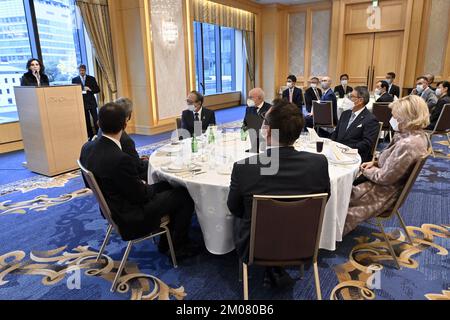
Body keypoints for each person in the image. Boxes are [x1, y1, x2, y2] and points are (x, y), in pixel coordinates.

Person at [228, 99, 330, 287]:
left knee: (240, 215)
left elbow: (234, 208)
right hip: (303, 241)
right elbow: (325, 198)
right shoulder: (319, 163)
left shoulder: (244, 169)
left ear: (266, 131)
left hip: (256, 246)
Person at [80, 102, 198, 259]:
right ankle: (178, 247)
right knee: (184, 195)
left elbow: (89, 184)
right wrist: (143, 184)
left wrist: (142, 186)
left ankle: (165, 241)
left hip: (111, 204)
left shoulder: (87, 147)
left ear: (98, 123)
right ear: (125, 124)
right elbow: (141, 196)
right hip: (129, 214)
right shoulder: (119, 158)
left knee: (166, 184)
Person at [343, 95, 430, 235]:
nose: (392, 119)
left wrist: (364, 170)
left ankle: (323, 236)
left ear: (406, 118)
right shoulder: (416, 136)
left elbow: (384, 178)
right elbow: (393, 161)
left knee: (338, 193)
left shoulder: (408, 144)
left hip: (381, 192)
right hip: (384, 186)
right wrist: (375, 163)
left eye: (395, 116)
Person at [331, 86, 380, 162]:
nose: (348, 99)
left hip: (354, 156)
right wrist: (331, 144)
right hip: (337, 152)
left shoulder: (370, 119)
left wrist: (345, 149)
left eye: (351, 97)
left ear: (360, 100)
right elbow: (336, 132)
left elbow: (366, 144)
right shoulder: (345, 114)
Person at [114, 97, 149, 181]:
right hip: (129, 179)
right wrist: (149, 162)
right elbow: (138, 167)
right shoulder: (126, 140)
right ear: (128, 116)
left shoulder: (102, 131)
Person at [72, 65, 101, 139]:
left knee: (96, 119)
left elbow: (97, 90)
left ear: (85, 70)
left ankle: (99, 134)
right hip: (82, 102)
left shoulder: (91, 78)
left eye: (83, 70)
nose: (82, 72)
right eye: (80, 70)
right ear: (78, 70)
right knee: (86, 120)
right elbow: (73, 91)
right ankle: (90, 135)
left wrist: (90, 89)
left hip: (91, 102)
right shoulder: (74, 80)